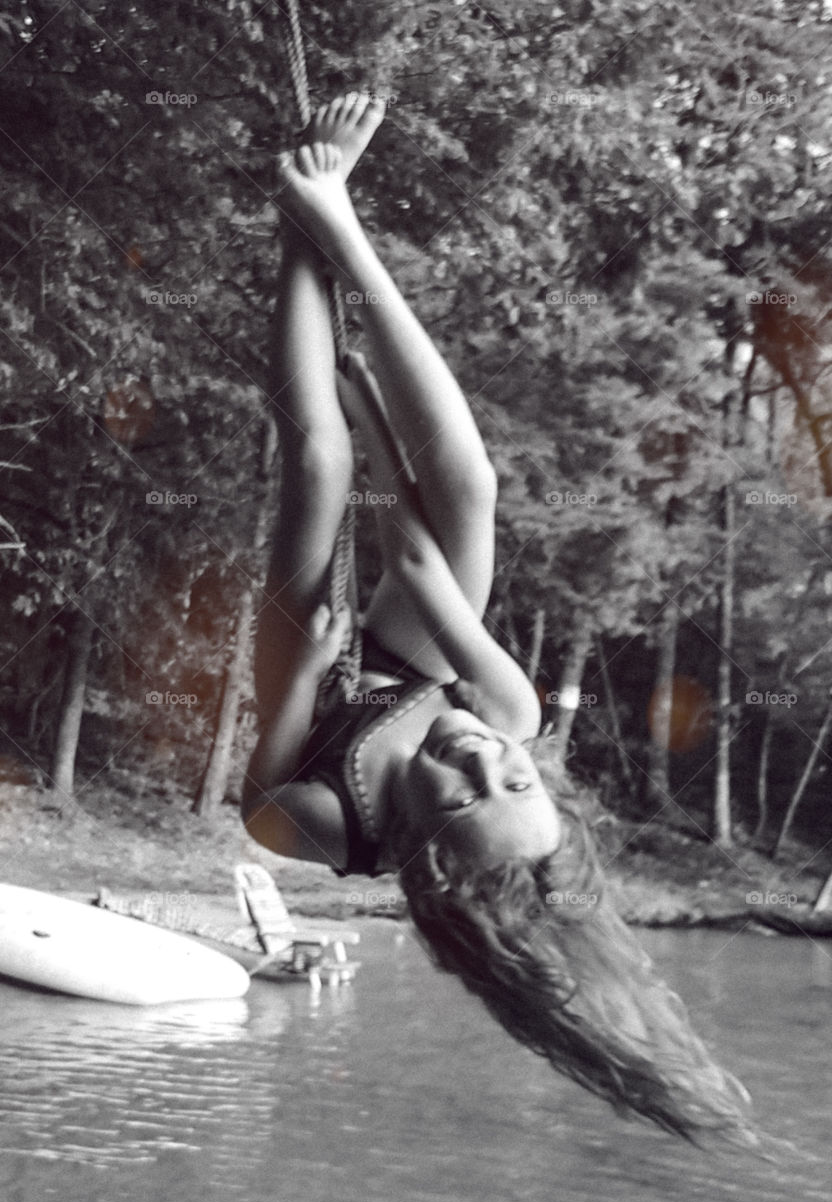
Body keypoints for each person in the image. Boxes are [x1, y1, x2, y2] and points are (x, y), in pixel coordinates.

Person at [241, 93, 759, 1149]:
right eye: (513, 776)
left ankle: (298, 219)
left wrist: (309, 667)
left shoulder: (338, 823)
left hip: (316, 680)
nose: (480, 756)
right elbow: (420, 557)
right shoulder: (508, 712)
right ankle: (332, 217)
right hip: (404, 659)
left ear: (420, 844)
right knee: (469, 486)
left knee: (319, 462)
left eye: (466, 790)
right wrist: (374, 411)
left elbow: (256, 796)